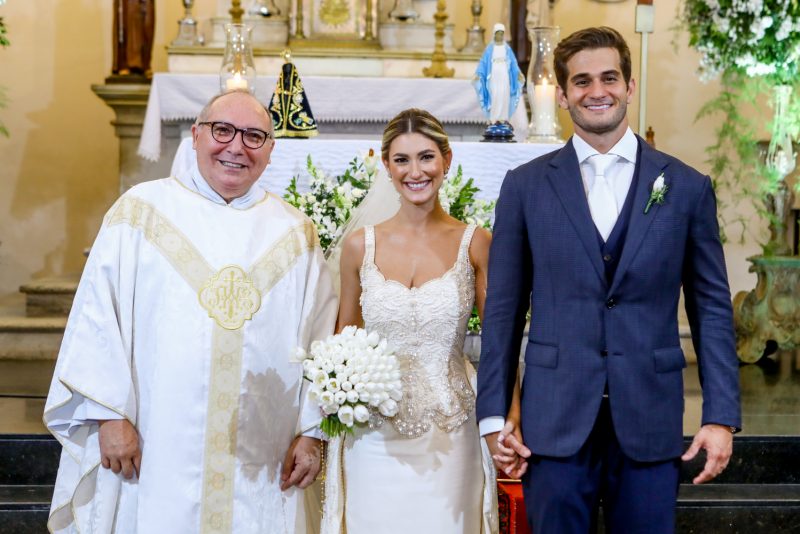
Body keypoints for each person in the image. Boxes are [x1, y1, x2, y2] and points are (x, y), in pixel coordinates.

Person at [476, 26, 741, 533]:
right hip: (552, 423)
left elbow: (711, 310)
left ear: (630, 86)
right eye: (581, 81)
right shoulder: (526, 186)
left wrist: (720, 415)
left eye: (609, 78)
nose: (597, 91)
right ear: (562, 95)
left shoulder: (685, 187)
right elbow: (504, 310)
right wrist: (493, 415)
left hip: (650, 417)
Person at [43, 90, 337, 534]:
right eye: (223, 131)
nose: (236, 147)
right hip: (153, 445)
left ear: (271, 151)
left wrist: (312, 432)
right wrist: (109, 415)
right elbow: (99, 318)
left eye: (254, 136)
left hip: (264, 456)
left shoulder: (296, 232)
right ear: (196, 136)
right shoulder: (139, 213)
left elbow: (320, 340)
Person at [323, 108, 498, 533]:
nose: (414, 171)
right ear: (386, 166)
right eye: (401, 159)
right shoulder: (358, 247)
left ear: (446, 160)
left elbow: (498, 342)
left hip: (452, 430)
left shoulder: (475, 243)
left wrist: (505, 415)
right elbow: (344, 342)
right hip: (372, 436)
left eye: (425, 157)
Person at [473, 23, 524, 125]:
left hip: (504, 74)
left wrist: (517, 73)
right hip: (494, 74)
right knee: (495, 93)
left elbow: (513, 63)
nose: (500, 36)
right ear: (494, 34)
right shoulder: (490, 48)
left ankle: (503, 117)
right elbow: (483, 62)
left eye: (502, 34)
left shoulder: (507, 48)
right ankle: (494, 117)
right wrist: (479, 73)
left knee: (504, 93)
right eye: (498, 34)